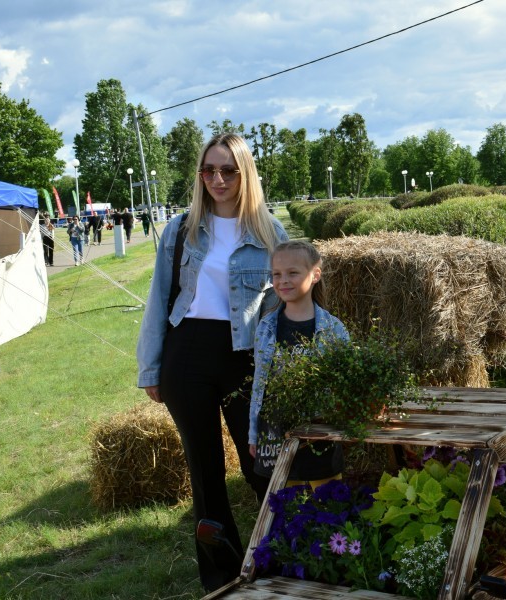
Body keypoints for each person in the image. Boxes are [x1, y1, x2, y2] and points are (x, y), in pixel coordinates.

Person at [136, 132, 289, 593]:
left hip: (245, 358)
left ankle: (282, 562)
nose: (217, 179)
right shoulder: (182, 228)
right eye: (209, 170)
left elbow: (287, 302)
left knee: (260, 462)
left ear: (245, 175)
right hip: (188, 354)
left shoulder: (268, 231)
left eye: (228, 170)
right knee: (205, 473)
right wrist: (151, 368)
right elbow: (160, 298)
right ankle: (222, 576)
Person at [248, 240, 348, 492]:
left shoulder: (333, 328)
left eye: (293, 273)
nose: (283, 280)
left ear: (315, 275)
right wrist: (254, 435)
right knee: (287, 500)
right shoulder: (267, 327)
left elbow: (346, 381)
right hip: (278, 431)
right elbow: (260, 386)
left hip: (320, 430)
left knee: (328, 499)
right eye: (277, 274)